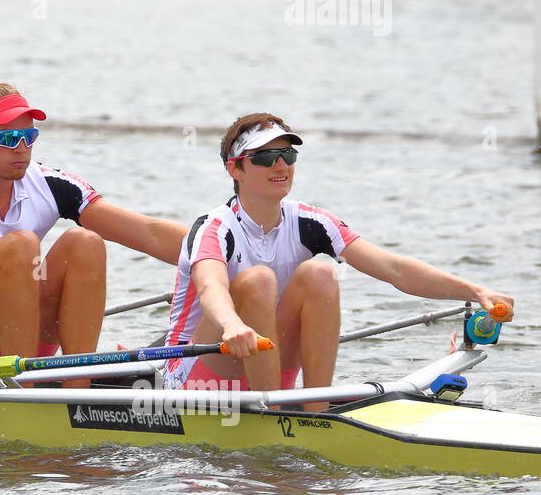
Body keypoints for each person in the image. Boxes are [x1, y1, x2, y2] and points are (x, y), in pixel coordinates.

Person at [163, 113, 515, 411]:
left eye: (287, 155)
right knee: (258, 280)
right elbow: (211, 287)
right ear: (235, 169)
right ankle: (273, 412)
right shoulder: (214, 227)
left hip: (265, 363)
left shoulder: (311, 222)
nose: (281, 165)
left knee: (320, 272)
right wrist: (231, 325)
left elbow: (392, 268)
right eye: (265, 158)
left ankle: (315, 411)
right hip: (197, 377)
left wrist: (475, 290)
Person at [0, 79, 186, 374]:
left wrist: (216, 260)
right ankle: (23, 390)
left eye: (29, 136)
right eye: (8, 138)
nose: (21, 148)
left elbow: (149, 233)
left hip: (17, 331)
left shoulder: (50, 184)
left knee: (84, 242)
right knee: (22, 245)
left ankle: (78, 385)